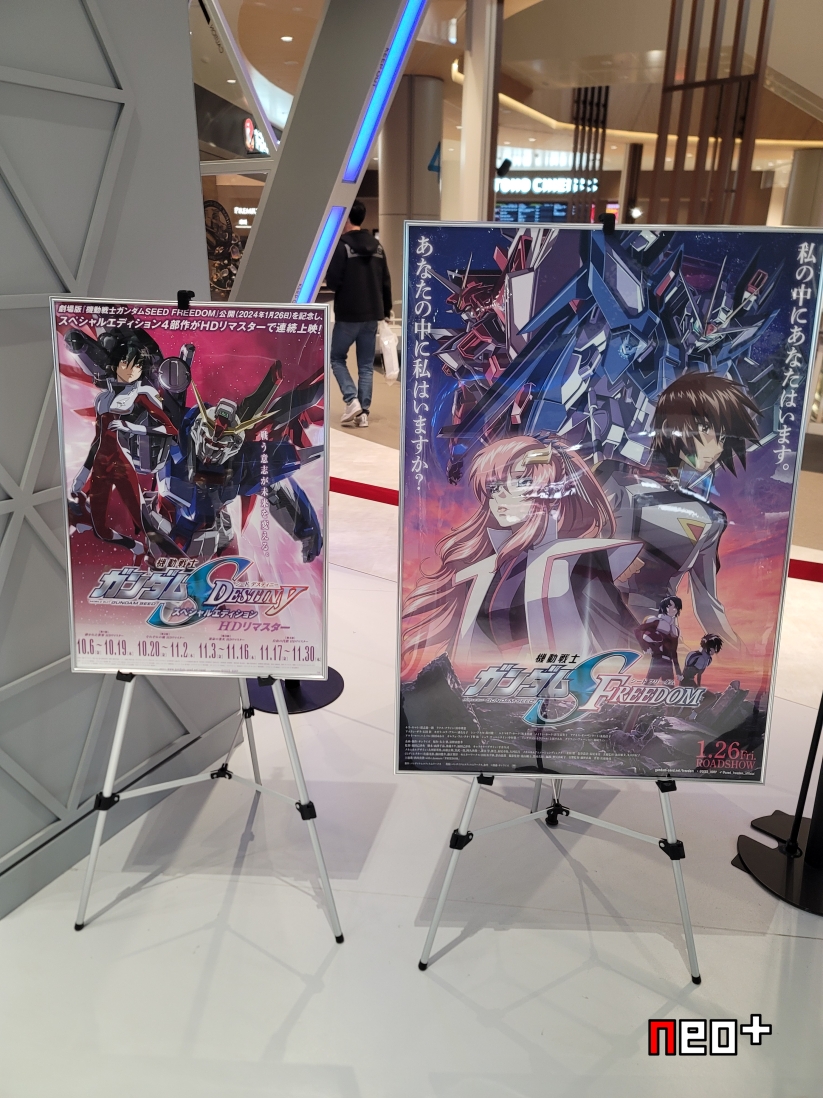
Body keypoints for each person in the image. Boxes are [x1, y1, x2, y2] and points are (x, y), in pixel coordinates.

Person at [400, 435, 643, 679]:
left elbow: (622, 645)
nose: (500, 497)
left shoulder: (573, 560)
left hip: (570, 691)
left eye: (520, 483)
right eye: (494, 488)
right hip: (491, 692)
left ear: (550, 491)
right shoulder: (482, 572)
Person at [596, 372, 760, 646]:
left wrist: (741, 657)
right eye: (706, 429)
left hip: (656, 633)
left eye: (722, 438)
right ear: (674, 424)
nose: (716, 447)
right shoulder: (613, 477)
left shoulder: (710, 519)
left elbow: (707, 604)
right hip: (595, 617)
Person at [325, 199, 392, 428]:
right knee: (365, 366)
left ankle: (351, 400)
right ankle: (363, 413)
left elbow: (333, 281)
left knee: (336, 358)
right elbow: (385, 281)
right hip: (373, 313)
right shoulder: (378, 247)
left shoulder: (342, 246)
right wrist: (386, 310)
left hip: (348, 314)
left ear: (346, 219)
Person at [636, 596, 682, 683]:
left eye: (676, 607)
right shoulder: (656, 621)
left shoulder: (674, 629)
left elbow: (673, 652)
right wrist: (645, 647)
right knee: (649, 686)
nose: (673, 609)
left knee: (669, 688)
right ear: (664, 607)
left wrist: (678, 672)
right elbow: (638, 630)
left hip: (668, 664)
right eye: (670, 606)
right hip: (657, 660)